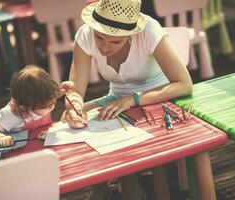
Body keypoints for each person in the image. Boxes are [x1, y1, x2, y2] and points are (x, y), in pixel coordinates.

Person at [63, 0, 193, 199]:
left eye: (115, 41)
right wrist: (75, 106)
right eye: (99, 38)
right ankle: (102, 186)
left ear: (132, 34)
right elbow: (75, 90)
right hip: (117, 98)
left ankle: (130, 187)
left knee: (112, 123)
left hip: (158, 98)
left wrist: (132, 100)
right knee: (69, 120)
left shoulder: (149, 30)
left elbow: (184, 84)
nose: (104, 48)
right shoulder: (85, 34)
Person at [0, 65, 72, 147]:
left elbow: (49, 98)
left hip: (44, 142)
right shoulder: (11, 115)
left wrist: (61, 92)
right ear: (25, 107)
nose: (53, 106)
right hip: (24, 148)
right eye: (47, 105)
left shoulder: (42, 99)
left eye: (54, 100)